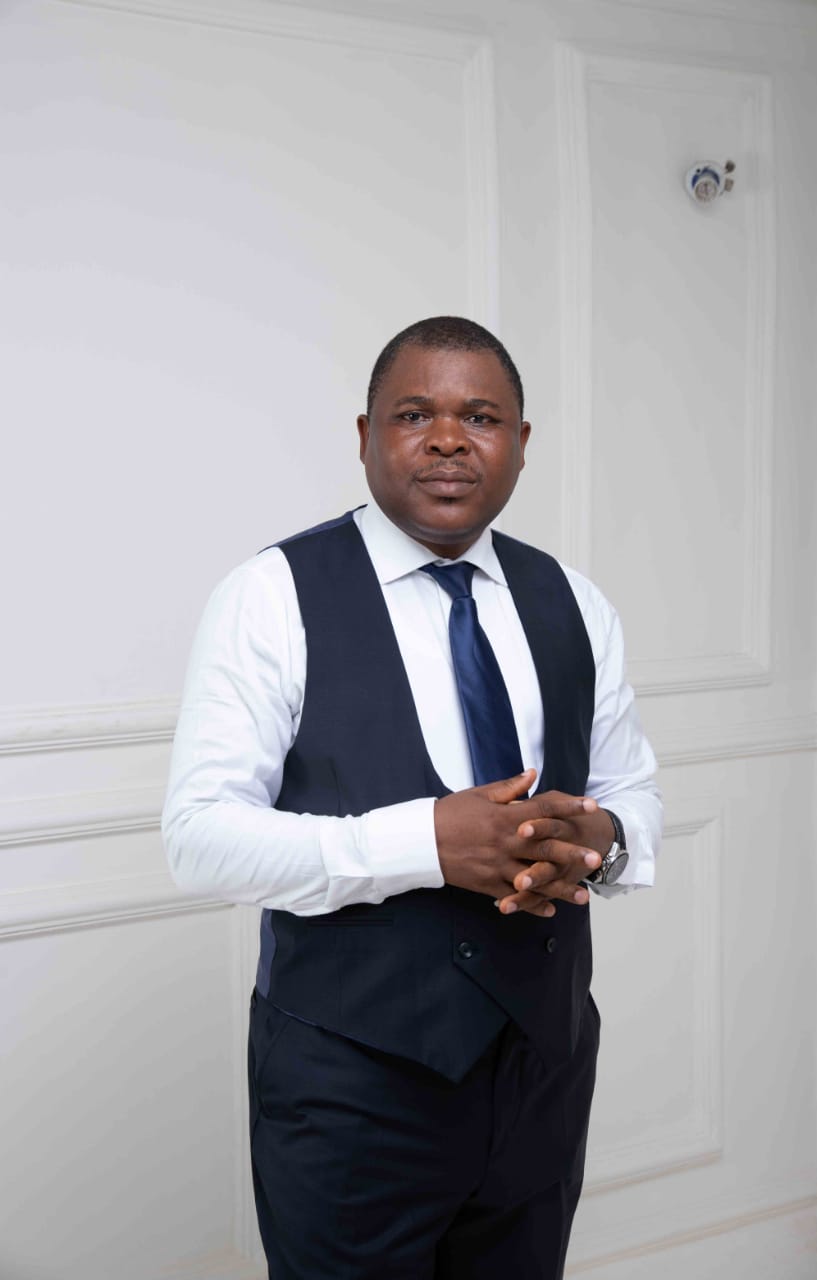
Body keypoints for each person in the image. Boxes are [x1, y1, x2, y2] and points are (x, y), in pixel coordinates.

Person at [162, 316, 662, 1280]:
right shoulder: (271, 594)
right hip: (350, 1087)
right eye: (413, 414)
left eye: (480, 416)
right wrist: (424, 843)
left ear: (520, 443)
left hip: (543, 1070)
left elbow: (628, 792)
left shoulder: (574, 600)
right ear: (365, 437)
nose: (446, 440)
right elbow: (198, 838)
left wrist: (603, 837)